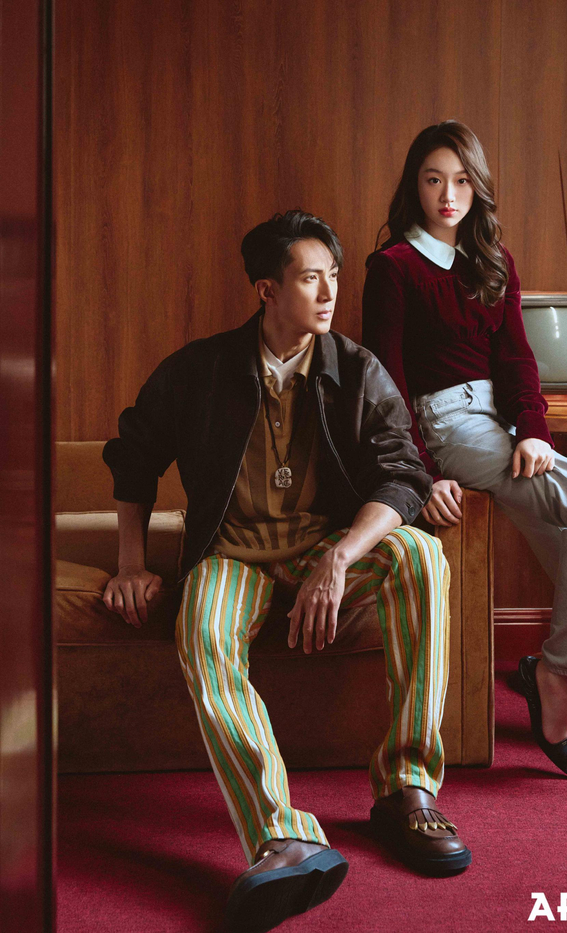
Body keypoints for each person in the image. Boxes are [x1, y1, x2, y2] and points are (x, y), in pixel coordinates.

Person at [101, 210, 471, 933]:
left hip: (322, 545)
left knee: (422, 554)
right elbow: (134, 455)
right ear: (268, 290)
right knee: (201, 627)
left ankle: (408, 789)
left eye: (333, 276)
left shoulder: (357, 370)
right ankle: (282, 834)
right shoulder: (200, 369)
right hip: (232, 553)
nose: (329, 293)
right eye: (310, 278)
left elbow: (403, 474)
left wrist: (339, 555)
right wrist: (130, 564)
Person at [362, 120, 567, 782]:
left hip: (499, 421)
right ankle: (558, 673)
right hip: (447, 425)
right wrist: (420, 473)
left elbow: (517, 358)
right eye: (433, 180)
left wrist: (533, 428)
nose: (448, 195)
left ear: (478, 188)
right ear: (414, 186)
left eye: (462, 181)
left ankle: (556, 668)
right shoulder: (393, 268)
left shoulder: (493, 260)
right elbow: (385, 383)